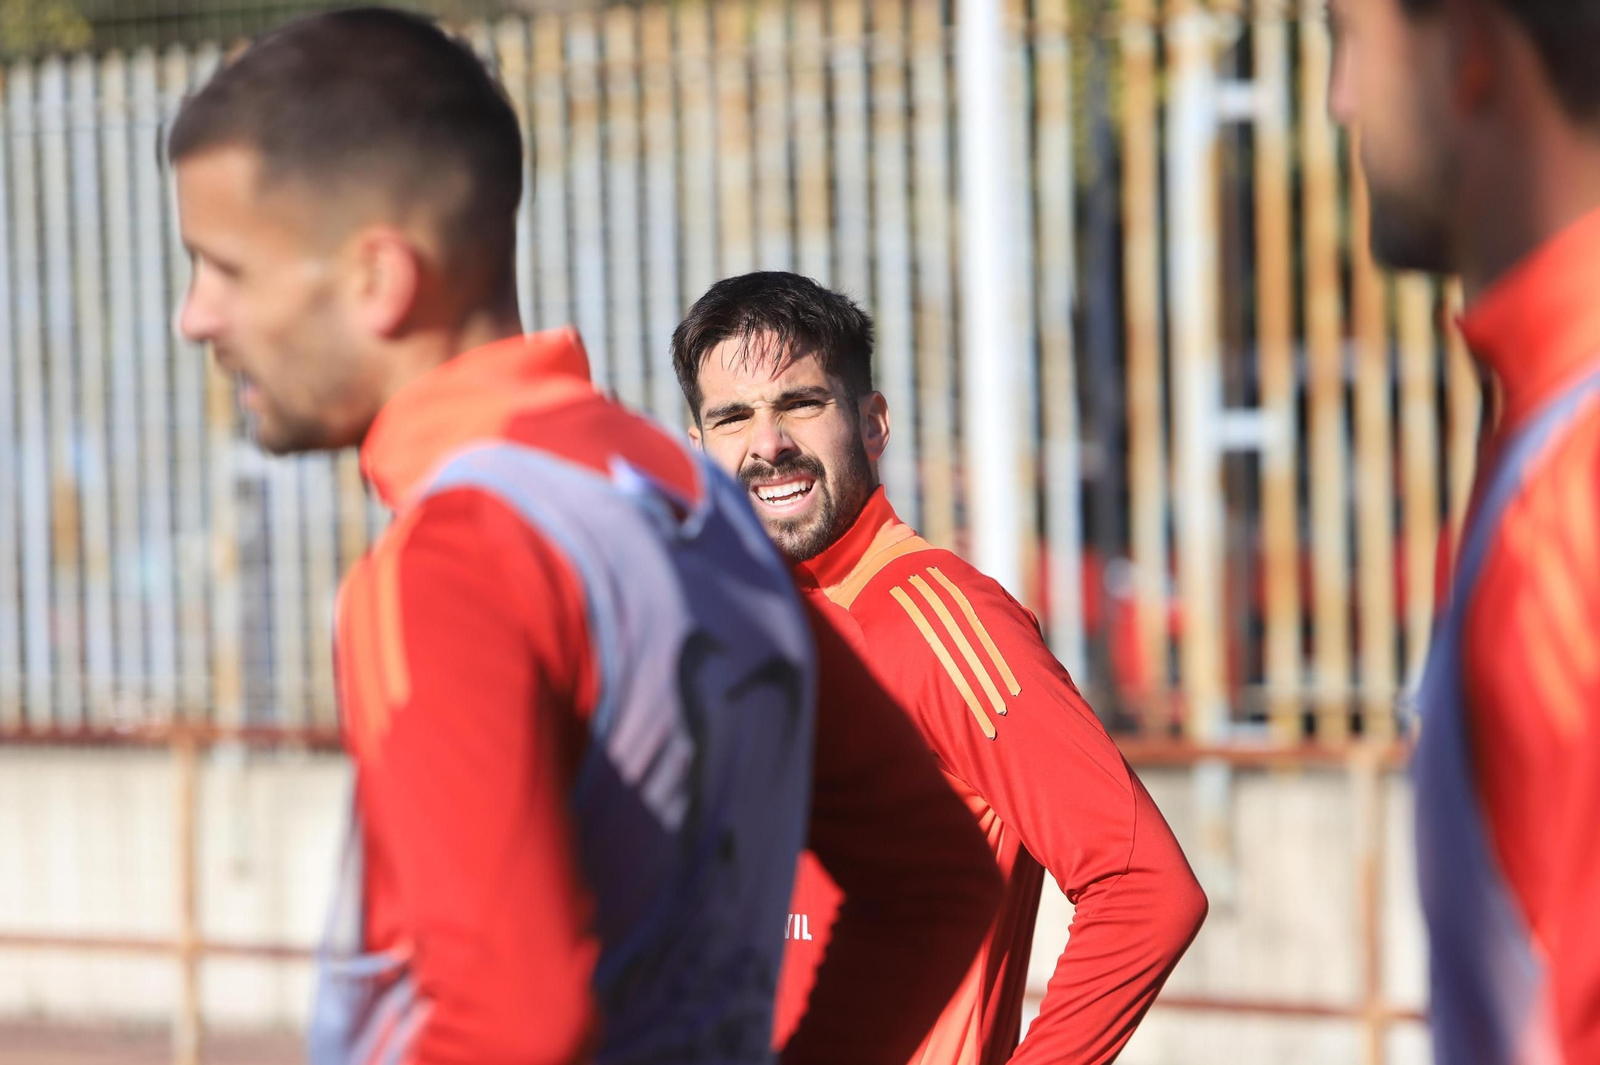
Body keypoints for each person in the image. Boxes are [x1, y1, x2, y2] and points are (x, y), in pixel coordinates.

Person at [168, 9, 1000, 1064]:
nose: (195, 315)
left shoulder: (454, 553)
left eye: (225, 267)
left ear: (379, 279)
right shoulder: (686, 499)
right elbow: (933, 875)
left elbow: (505, 1025)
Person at [672, 272, 1208, 1065]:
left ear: (873, 422)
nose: (768, 443)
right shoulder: (725, 624)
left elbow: (1144, 886)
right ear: (698, 448)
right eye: (734, 417)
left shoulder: (937, 619)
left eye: (800, 404)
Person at [1329, 1, 1600, 1061]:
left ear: (1470, 51)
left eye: (1345, 41)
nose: (1339, 102)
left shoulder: (1574, 490)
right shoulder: (1543, 423)